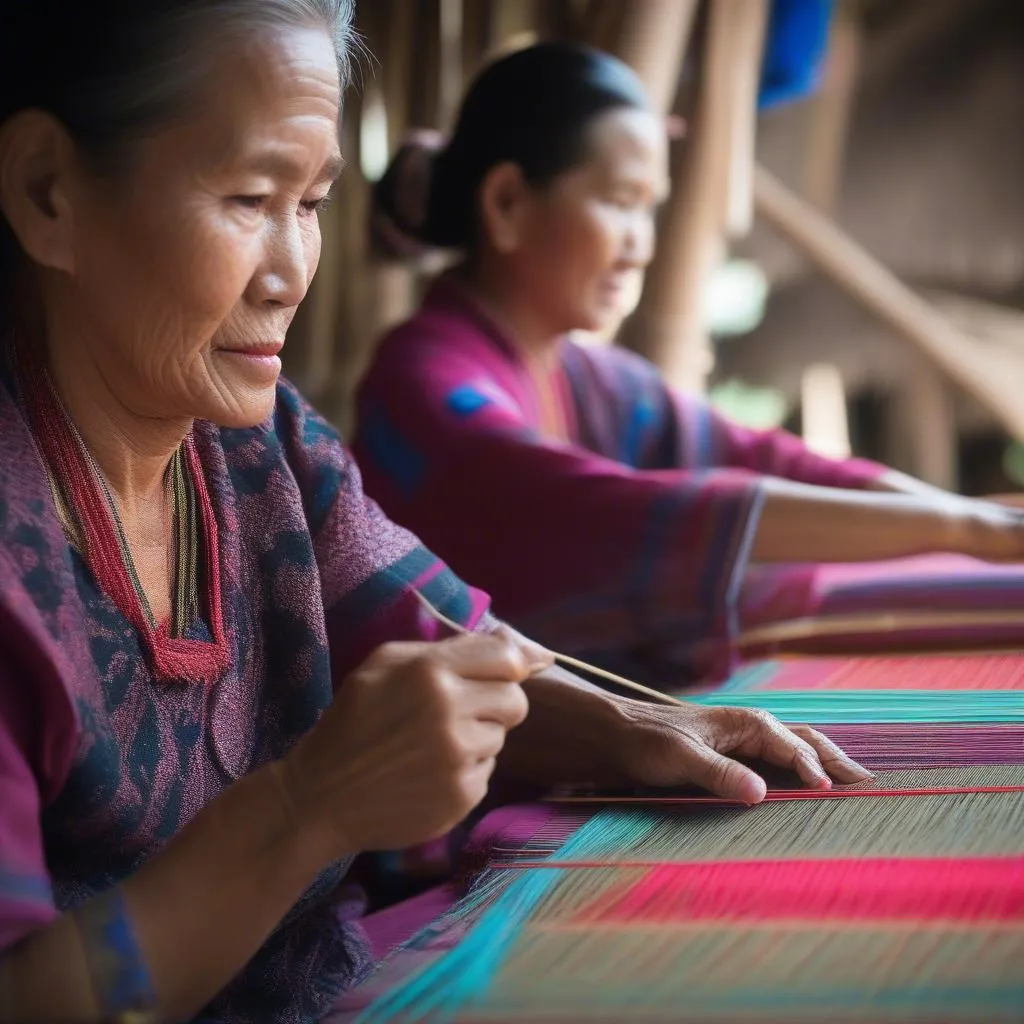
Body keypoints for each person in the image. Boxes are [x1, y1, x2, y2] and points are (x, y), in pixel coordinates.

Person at [0, 4, 871, 1023]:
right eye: (248, 198)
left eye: (312, 202)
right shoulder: (425, 382)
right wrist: (305, 808)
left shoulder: (262, 447)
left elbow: (446, 640)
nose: (289, 275)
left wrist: (638, 725)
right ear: (46, 191)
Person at [355, 42, 1024, 685]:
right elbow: (598, 514)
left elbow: (758, 457)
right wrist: (956, 527)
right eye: (619, 202)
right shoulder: (418, 382)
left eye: (651, 208)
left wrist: (972, 525)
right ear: (506, 204)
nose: (640, 246)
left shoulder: (587, 378)